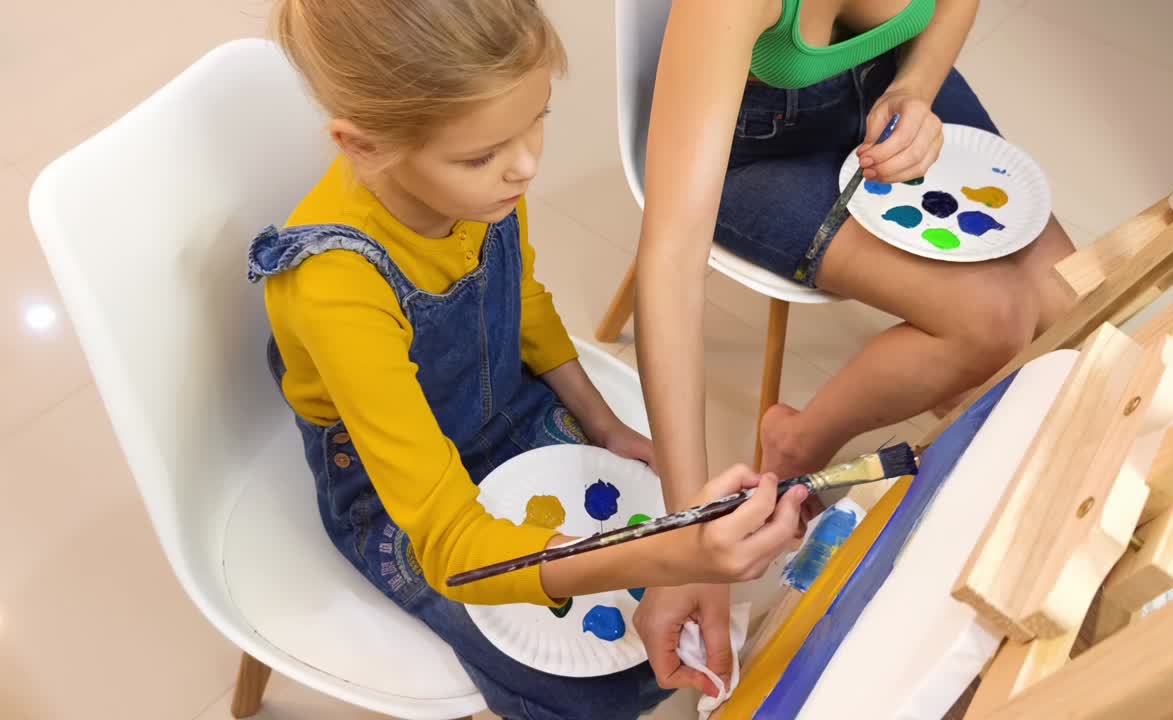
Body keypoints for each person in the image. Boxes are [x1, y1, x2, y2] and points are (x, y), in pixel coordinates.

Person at [249, 1, 808, 716]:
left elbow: (527, 307)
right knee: (590, 691)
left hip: (509, 404)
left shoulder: (484, 186)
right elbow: (452, 546)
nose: (525, 166)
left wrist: (605, 427)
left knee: (652, 609)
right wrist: (672, 555)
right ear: (361, 145)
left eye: (537, 116)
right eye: (481, 154)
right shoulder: (334, 284)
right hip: (396, 496)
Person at [632, 0, 1077, 695]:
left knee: (1064, 315)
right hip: (762, 151)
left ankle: (813, 444)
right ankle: (800, 443)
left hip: (893, 86)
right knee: (993, 320)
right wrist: (687, 539)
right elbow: (670, 259)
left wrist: (919, 86)